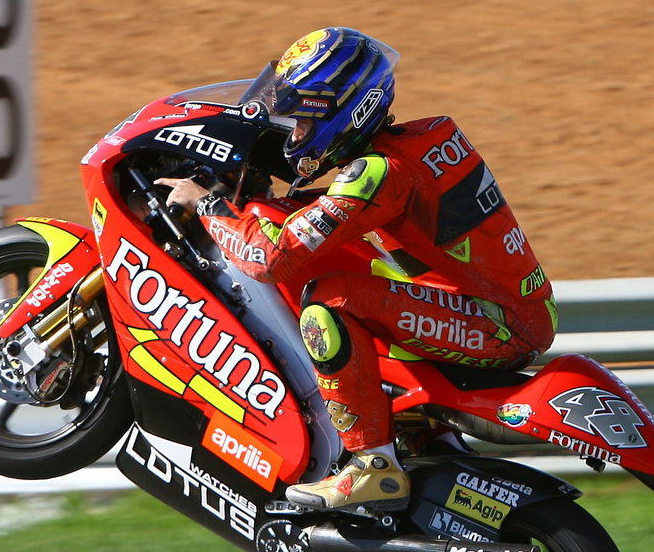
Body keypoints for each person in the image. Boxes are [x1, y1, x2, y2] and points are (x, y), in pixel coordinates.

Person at [156, 27, 556, 511]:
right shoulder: (418, 141)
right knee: (364, 296)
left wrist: (211, 204)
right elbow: (350, 210)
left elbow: (270, 259)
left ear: (348, 109)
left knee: (329, 300)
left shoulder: (377, 172)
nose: (294, 131)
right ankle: (431, 453)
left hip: (495, 323)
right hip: (503, 307)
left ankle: (373, 466)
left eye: (303, 115)